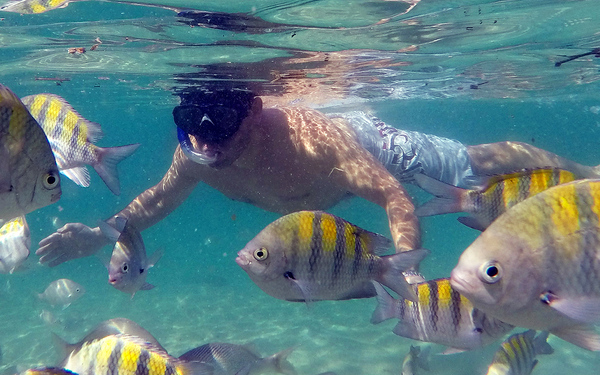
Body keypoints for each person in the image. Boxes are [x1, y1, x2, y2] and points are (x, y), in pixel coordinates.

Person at [36, 87, 598, 269]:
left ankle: (587, 174)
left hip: (375, 149)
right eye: (188, 127)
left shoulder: (314, 144)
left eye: (221, 125)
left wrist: (405, 268)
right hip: (330, 170)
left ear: (253, 111)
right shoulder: (196, 155)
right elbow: (154, 204)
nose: (205, 144)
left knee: (479, 164)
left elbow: (392, 196)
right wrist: (101, 232)